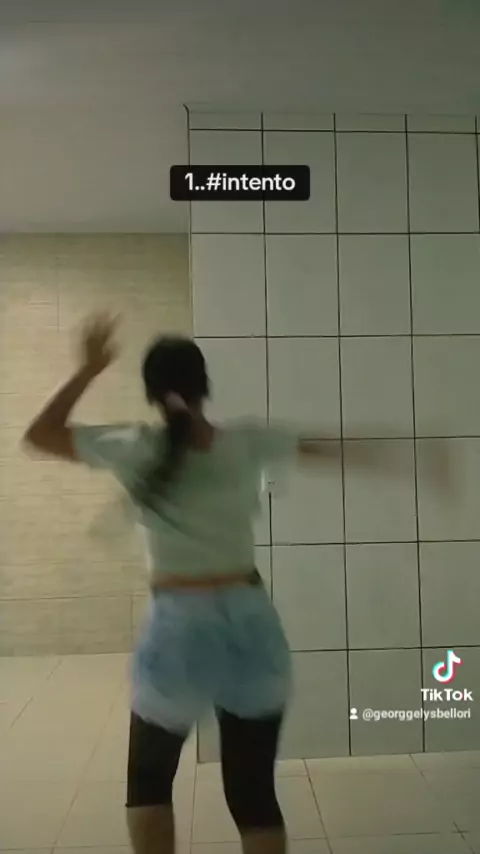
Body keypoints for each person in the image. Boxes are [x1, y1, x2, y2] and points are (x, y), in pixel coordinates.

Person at [23, 315, 449, 854]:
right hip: (252, 624)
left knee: (149, 783)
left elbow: (39, 435)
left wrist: (88, 369)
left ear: (152, 394)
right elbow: (332, 447)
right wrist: (415, 455)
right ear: (205, 387)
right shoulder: (246, 442)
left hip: (179, 629)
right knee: (253, 794)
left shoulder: (134, 446)